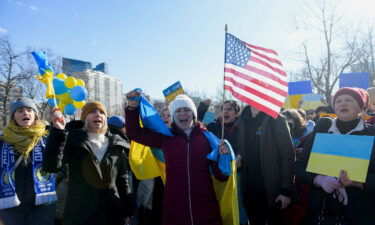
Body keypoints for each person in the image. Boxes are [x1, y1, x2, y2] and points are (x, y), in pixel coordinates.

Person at [125, 91, 229, 225]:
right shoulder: (166, 137)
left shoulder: (207, 138)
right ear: (174, 116)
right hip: (174, 211)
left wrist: (224, 157)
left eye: (187, 110)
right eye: (178, 111)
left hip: (207, 212)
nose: (183, 114)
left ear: (194, 114)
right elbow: (134, 133)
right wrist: (132, 107)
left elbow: (221, 176)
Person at [43, 101, 134, 225]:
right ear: (85, 117)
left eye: (101, 112)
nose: (98, 114)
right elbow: (51, 166)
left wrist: (128, 210)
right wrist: (58, 132)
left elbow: (122, 180)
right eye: (92, 112)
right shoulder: (73, 140)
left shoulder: (116, 143)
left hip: (112, 213)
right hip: (80, 214)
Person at [296, 87, 375, 225]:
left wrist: (359, 183)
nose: (343, 104)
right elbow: (299, 167)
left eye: (349, 100)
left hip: (360, 214)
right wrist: (318, 180)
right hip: (322, 212)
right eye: (338, 101)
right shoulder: (322, 131)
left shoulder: (371, 134)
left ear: (360, 108)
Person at [0, 98, 56, 225]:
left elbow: (60, 164)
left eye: (29, 110)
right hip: (11, 208)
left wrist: (52, 182)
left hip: (42, 206)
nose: (25, 113)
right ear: (13, 116)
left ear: (35, 115)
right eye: (20, 111)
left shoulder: (47, 137)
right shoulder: (3, 139)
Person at [237, 105, 296, 225]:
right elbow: (241, 148)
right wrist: (237, 156)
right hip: (249, 189)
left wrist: (286, 190)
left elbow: (288, 156)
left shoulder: (276, 118)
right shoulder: (243, 119)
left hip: (273, 191)